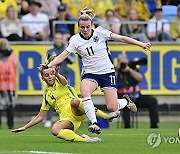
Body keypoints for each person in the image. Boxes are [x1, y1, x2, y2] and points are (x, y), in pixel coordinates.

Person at [40, 7, 151, 134]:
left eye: (87, 26)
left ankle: (126, 100)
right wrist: (49, 65)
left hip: (107, 72)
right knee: (84, 91)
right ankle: (94, 123)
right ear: (78, 27)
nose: (85, 29)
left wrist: (141, 44)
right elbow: (63, 55)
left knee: (112, 107)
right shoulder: (75, 40)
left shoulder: (100, 32)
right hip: (90, 73)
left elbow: (122, 38)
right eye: (82, 27)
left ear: (91, 25)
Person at [12, 58, 114, 142]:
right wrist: (25, 127)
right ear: (43, 78)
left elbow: (65, 82)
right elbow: (40, 116)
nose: (50, 76)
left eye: (52, 74)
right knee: (54, 130)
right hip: (68, 119)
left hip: (79, 109)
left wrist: (57, 74)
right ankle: (87, 140)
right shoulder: (46, 95)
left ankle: (106, 116)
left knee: (74, 101)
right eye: (46, 75)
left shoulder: (60, 82)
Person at [116, 54, 159, 128]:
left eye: (124, 63)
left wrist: (129, 70)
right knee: (125, 102)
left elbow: (140, 78)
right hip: (123, 97)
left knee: (153, 100)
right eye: (121, 63)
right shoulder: (115, 70)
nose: (123, 65)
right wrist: (117, 69)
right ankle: (127, 125)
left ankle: (154, 124)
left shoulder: (132, 68)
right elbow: (112, 81)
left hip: (136, 97)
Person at [44, 31, 75, 128]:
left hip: (63, 78)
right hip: (52, 78)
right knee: (50, 99)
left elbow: (72, 60)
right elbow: (46, 63)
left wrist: (65, 53)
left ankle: (69, 118)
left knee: (68, 99)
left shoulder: (66, 49)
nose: (58, 40)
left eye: (59, 38)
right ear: (54, 39)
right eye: (56, 38)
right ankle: (48, 120)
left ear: (62, 39)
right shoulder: (50, 50)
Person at [0, 38, 18, 129]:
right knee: (10, 107)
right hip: (10, 86)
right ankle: (10, 125)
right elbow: (17, 71)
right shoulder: (13, 57)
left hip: (0, 86)